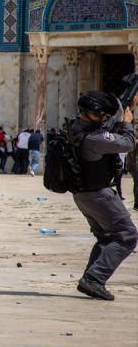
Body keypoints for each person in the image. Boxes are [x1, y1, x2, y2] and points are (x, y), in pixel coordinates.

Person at [68, 91, 137, 300]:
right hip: (99, 195)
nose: (106, 118)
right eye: (103, 115)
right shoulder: (94, 137)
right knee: (127, 235)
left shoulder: (76, 128)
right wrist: (127, 123)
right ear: (94, 113)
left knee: (106, 237)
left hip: (83, 194)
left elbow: (107, 132)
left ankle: (91, 279)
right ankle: (94, 278)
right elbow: (127, 143)